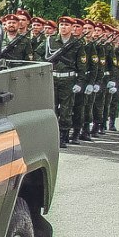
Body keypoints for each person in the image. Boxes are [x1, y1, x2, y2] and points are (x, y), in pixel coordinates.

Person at [45, 17, 83, 147]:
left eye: (67, 25)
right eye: (61, 25)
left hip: (68, 79)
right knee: (52, 107)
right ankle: (52, 134)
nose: (63, 27)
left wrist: (80, 83)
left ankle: (63, 135)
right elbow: (40, 55)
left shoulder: (77, 44)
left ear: (72, 27)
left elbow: (82, 66)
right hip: (53, 78)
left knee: (66, 109)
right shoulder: (51, 40)